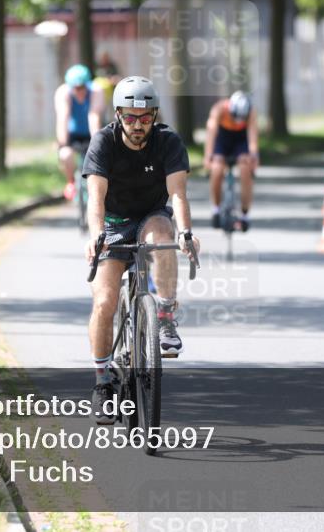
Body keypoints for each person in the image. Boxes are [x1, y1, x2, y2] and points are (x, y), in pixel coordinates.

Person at [82, 76, 200, 424]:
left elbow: (177, 194)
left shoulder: (168, 142)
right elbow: (96, 199)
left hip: (151, 215)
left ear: (154, 115)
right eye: (130, 117)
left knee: (162, 235)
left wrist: (187, 233)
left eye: (144, 117)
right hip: (114, 221)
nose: (137, 125)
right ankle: (103, 382)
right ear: (118, 114)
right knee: (104, 302)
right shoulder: (103, 142)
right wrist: (96, 234)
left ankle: (164, 316)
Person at [204, 91, 259, 231]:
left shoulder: (251, 112)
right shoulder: (219, 109)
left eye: (242, 119)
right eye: (235, 117)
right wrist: (208, 156)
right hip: (222, 140)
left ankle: (245, 214)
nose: (238, 121)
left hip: (240, 141)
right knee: (217, 169)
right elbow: (211, 133)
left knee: (245, 168)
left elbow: (252, 137)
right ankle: (216, 209)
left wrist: (253, 155)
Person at [55, 64, 103, 200]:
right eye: (75, 88)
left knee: (98, 159)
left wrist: (96, 144)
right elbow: (63, 118)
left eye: (82, 87)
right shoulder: (63, 92)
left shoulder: (96, 90)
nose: (79, 91)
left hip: (90, 133)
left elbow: (94, 116)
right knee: (65, 155)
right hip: (72, 135)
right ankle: (71, 182)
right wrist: (63, 144)